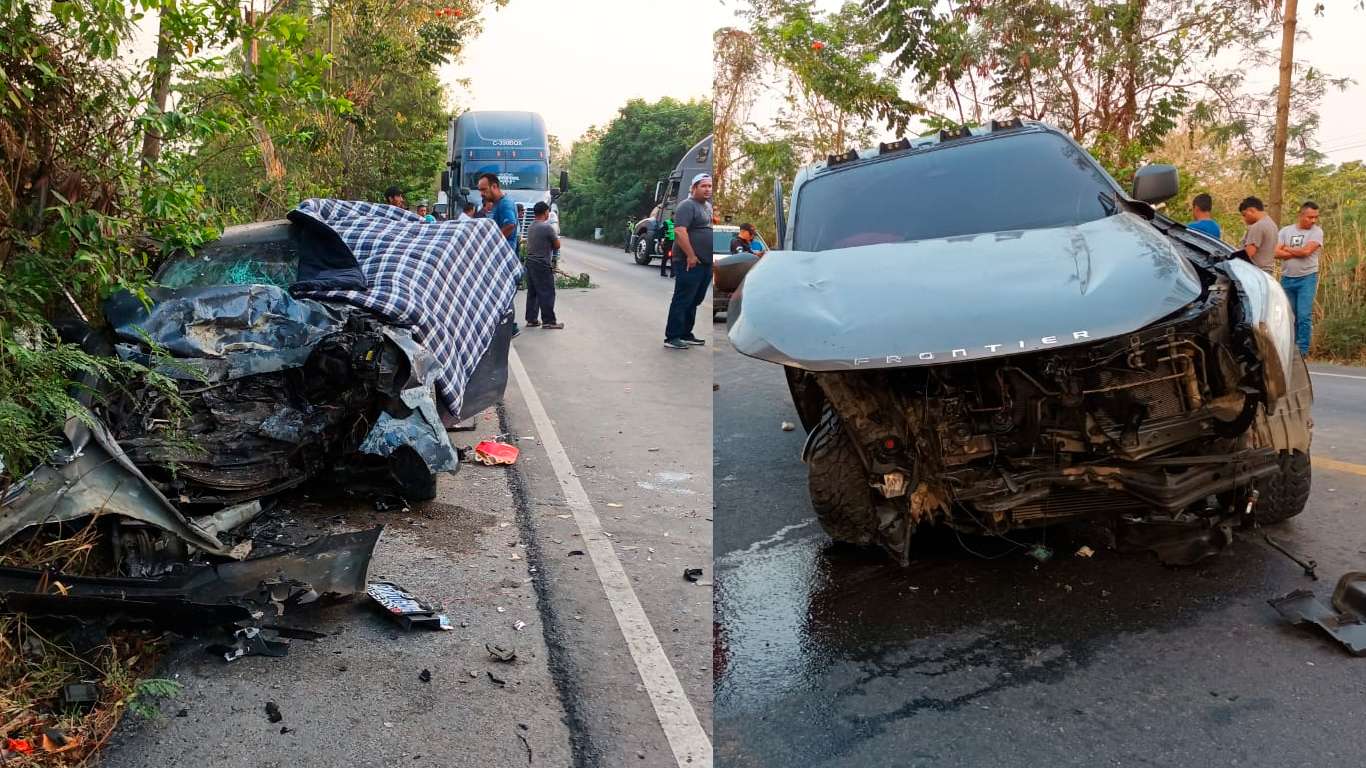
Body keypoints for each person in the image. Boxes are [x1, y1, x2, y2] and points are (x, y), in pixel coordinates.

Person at [663, 173, 713, 350]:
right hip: (688, 260)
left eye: (709, 186)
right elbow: (680, 232)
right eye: (703, 186)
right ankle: (672, 336)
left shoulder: (707, 206)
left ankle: (685, 333)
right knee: (683, 298)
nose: (707, 189)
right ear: (694, 188)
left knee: (696, 299)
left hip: (705, 262)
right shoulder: (687, 206)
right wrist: (691, 255)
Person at [1276, 201, 1324, 357]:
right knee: (1289, 315)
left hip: (1307, 278)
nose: (1313, 220)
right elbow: (1275, 253)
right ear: (1301, 215)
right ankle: (1290, 347)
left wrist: (1287, 249)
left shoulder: (1317, 232)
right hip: (1287, 278)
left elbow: (1306, 252)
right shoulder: (1285, 231)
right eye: (1310, 217)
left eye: (1315, 217)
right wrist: (1296, 251)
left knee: (1304, 314)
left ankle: (1302, 350)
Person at [524, 202, 563, 330]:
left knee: (533, 292)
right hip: (541, 263)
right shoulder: (547, 228)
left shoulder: (530, 226)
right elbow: (557, 245)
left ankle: (531, 319)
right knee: (547, 292)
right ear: (546, 212)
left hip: (530, 262)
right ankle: (549, 321)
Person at [477, 173, 519, 256]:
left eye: (484, 189)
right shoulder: (496, 203)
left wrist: (491, 244)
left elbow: (510, 225)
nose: (481, 194)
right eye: (480, 190)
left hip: (504, 255)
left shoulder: (505, 203)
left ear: (494, 186)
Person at [1238, 196, 1278, 273]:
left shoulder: (1257, 226)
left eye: (1244, 215)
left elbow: (1248, 253)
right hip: (1267, 272)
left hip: (1256, 272)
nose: (1244, 219)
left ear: (1251, 210)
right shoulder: (1272, 225)